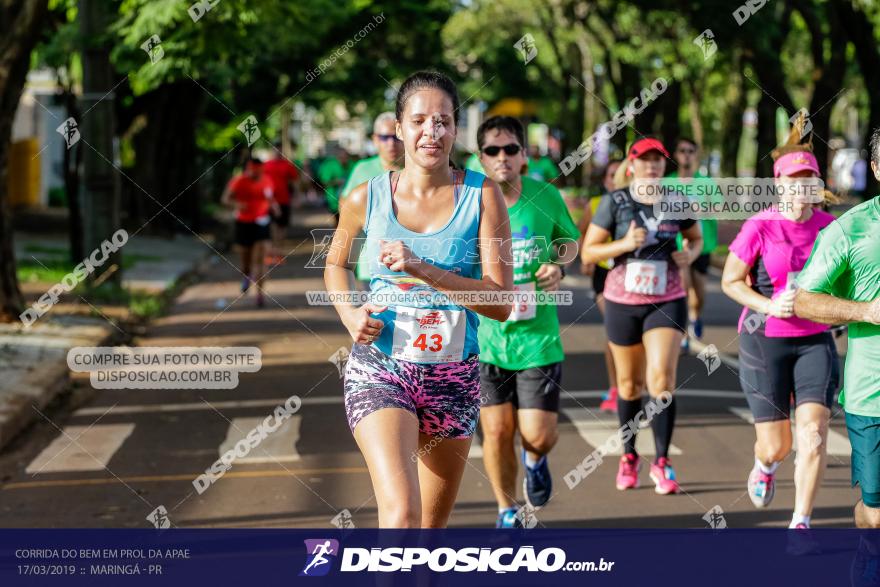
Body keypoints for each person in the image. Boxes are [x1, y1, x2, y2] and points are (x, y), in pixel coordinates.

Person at [324, 71, 513, 528]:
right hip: (382, 367)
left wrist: (421, 268)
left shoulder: (483, 196)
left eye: (444, 121)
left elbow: (500, 301)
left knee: (428, 532)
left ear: (456, 129)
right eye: (420, 120)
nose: (433, 132)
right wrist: (350, 313)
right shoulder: (363, 197)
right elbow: (336, 264)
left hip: (453, 375)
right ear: (400, 126)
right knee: (402, 514)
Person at [721, 113, 839, 531]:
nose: (801, 186)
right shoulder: (761, 225)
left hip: (814, 341)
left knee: (814, 432)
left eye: (809, 178)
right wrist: (770, 306)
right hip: (763, 339)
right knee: (777, 446)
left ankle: (800, 522)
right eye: (793, 179)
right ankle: (764, 465)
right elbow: (731, 281)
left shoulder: (831, 228)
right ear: (778, 185)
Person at [474, 116, 580, 527]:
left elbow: (568, 242)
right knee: (497, 433)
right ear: (481, 158)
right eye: (493, 150)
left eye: (510, 149)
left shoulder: (544, 197)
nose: (502, 157)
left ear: (523, 156)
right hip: (485, 340)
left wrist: (558, 266)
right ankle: (505, 509)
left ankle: (535, 459)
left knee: (539, 435)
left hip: (537, 338)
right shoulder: (469, 202)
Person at [580, 138, 703, 494]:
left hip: (667, 298)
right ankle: (630, 455)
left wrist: (689, 256)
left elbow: (693, 239)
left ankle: (663, 462)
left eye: (657, 160)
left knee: (661, 381)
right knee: (630, 385)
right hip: (622, 300)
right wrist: (623, 244)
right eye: (644, 159)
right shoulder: (615, 201)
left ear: (664, 166)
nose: (651, 165)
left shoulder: (677, 200)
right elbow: (589, 251)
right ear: (631, 165)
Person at [794, 125, 880, 532]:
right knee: (876, 512)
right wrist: (866, 311)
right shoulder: (850, 229)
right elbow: (805, 300)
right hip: (873, 395)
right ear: (877, 169)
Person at [341, 112, 405, 285]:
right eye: (384, 137)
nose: (391, 143)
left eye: (396, 137)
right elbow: (345, 205)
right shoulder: (362, 169)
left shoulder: (418, 170)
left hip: (411, 264)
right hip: (371, 264)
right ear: (375, 139)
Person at [579, 159, 622, 413]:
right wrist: (587, 255)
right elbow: (580, 232)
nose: (615, 180)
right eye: (611, 175)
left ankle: (631, 384)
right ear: (605, 180)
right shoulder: (595, 205)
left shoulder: (638, 205)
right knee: (613, 328)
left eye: (620, 174)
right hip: (604, 274)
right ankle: (616, 387)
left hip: (630, 274)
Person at [670, 138, 716, 343]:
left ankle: (695, 316)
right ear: (676, 154)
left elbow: (719, 208)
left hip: (701, 245)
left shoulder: (706, 184)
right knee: (683, 288)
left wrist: (701, 209)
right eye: (682, 150)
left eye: (690, 151)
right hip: (676, 245)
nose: (686, 154)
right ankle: (684, 333)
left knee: (699, 295)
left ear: (696, 154)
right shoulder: (667, 182)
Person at [221, 157, 279, 307]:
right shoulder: (239, 181)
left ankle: (260, 294)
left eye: (256, 170)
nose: (253, 173)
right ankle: (246, 275)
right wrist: (237, 204)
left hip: (262, 222)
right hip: (243, 223)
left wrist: (275, 207)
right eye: (250, 170)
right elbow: (225, 199)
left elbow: (270, 198)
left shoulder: (267, 180)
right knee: (246, 261)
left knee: (260, 260)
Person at [262, 142, 299, 265]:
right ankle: (271, 253)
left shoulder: (288, 165)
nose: (277, 152)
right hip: (268, 202)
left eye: (279, 150)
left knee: (282, 227)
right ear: (271, 150)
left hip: (284, 200)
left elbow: (295, 182)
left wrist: (297, 197)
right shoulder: (265, 165)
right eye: (275, 149)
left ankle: (278, 253)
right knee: (271, 226)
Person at [318, 147, 350, 224]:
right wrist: (336, 182)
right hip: (334, 199)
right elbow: (323, 182)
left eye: (346, 157)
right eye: (341, 157)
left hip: (347, 199)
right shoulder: (329, 165)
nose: (344, 160)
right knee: (338, 221)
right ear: (337, 157)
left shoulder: (351, 164)